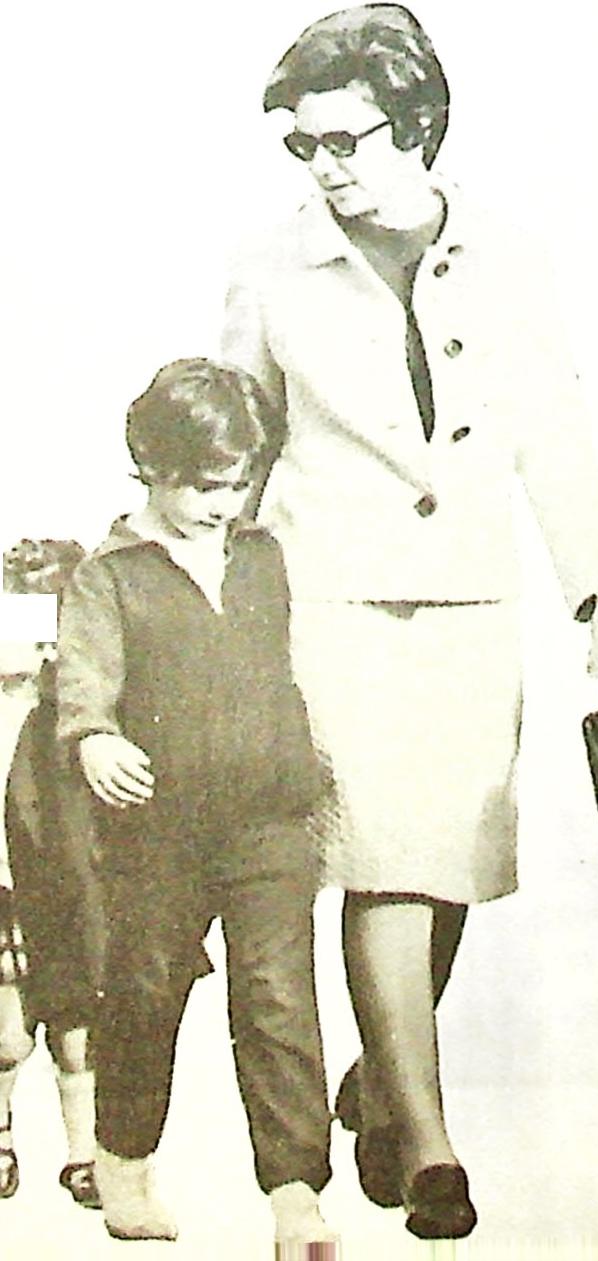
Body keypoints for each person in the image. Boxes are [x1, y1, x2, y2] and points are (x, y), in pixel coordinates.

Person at [221, 3, 598, 1240]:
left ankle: (380, 1084)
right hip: (327, 600)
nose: (322, 166)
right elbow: (237, 441)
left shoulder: (508, 256)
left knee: (445, 856)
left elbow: (551, 431)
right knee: (385, 860)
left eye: (343, 140)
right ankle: (430, 1145)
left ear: (415, 125)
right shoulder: (268, 265)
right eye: (300, 144)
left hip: (469, 597)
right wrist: (194, 595)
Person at [55, 358, 337, 1245]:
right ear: (153, 465)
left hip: (269, 820)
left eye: (238, 482)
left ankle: (295, 1190)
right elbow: (84, 683)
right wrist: (95, 738)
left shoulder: (261, 556)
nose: (225, 502)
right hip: (158, 829)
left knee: (278, 999)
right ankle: (123, 1161)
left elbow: (305, 662)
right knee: (144, 992)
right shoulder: (110, 574)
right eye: (206, 485)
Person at [1, 539, 102, 1210]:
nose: (42, 653)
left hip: (66, 889)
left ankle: (85, 1154)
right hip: (5, 887)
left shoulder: (78, 718)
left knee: (77, 1029)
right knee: (7, 1034)